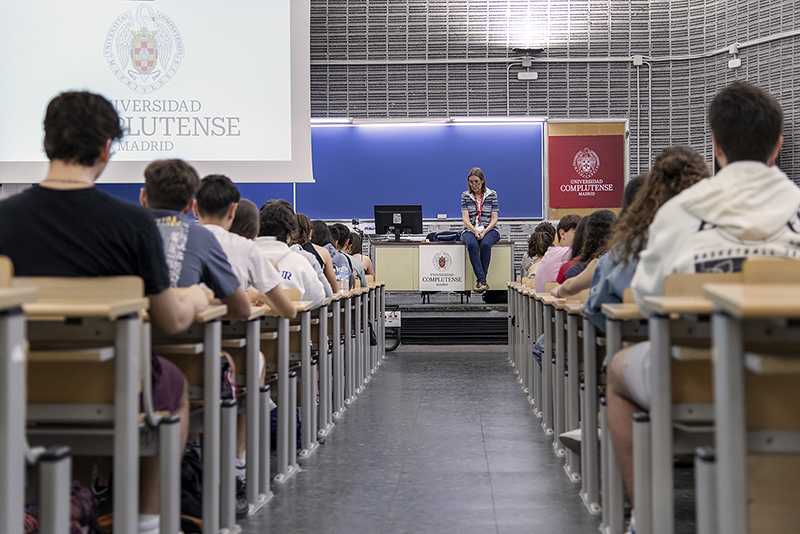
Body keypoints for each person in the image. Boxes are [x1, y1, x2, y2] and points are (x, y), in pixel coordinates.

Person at [0, 91, 209, 534]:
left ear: (46, 142)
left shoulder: (4, 218)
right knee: (171, 384)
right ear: (105, 149)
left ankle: (67, 504)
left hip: (15, 385)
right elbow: (171, 322)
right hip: (111, 388)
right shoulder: (132, 224)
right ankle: (148, 522)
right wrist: (194, 297)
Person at [607, 81, 800, 509]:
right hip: (791, 379)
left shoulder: (678, 211)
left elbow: (646, 298)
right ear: (778, 145)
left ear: (716, 146)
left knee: (617, 372)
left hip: (697, 382)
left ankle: (646, 517)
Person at [140, 159, 252, 321]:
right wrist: (201, 300)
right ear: (190, 206)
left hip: (121, 331)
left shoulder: (122, 231)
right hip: (178, 331)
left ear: (143, 197)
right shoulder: (201, 237)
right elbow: (242, 310)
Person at [255, 200, 326, 308]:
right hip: (291, 317)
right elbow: (318, 298)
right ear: (289, 234)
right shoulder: (300, 262)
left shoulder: (241, 258)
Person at [460, 167, 500, 293]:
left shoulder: (492, 195)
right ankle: (482, 281)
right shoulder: (465, 196)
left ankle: (481, 281)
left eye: (476, 182)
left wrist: (485, 231)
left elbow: (494, 218)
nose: (474, 185)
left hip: (489, 229)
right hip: (470, 229)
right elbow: (465, 219)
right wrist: (475, 231)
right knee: (472, 244)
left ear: (482, 181)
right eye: (471, 182)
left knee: (485, 244)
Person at [534, 214, 581, 293]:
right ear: (562, 234)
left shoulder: (552, 253)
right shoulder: (566, 253)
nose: (582, 238)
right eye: (577, 233)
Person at [293, 214, 340, 293]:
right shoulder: (323, 252)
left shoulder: (284, 252)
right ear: (310, 233)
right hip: (314, 297)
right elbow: (334, 288)